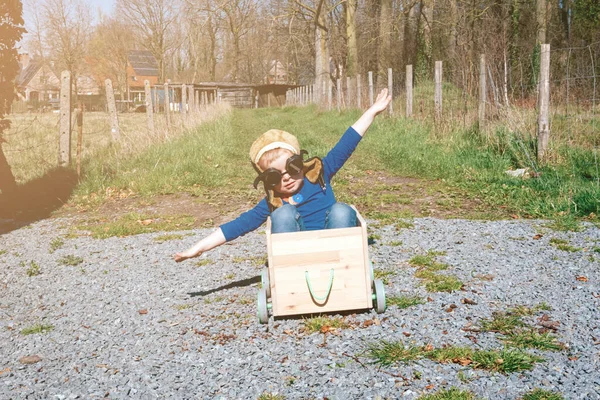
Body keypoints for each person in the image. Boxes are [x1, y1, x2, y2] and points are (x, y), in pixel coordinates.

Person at [174, 88, 392, 262]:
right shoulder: (274, 202)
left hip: (337, 252)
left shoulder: (320, 174)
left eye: (292, 167)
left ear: (301, 162)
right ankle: (293, 269)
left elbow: (347, 142)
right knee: (283, 215)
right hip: (296, 259)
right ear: (266, 180)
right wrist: (199, 247)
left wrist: (371, 112)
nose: (286, 177)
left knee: (342, 210)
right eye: (274, 177)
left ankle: (346, 264)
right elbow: (238, 226)